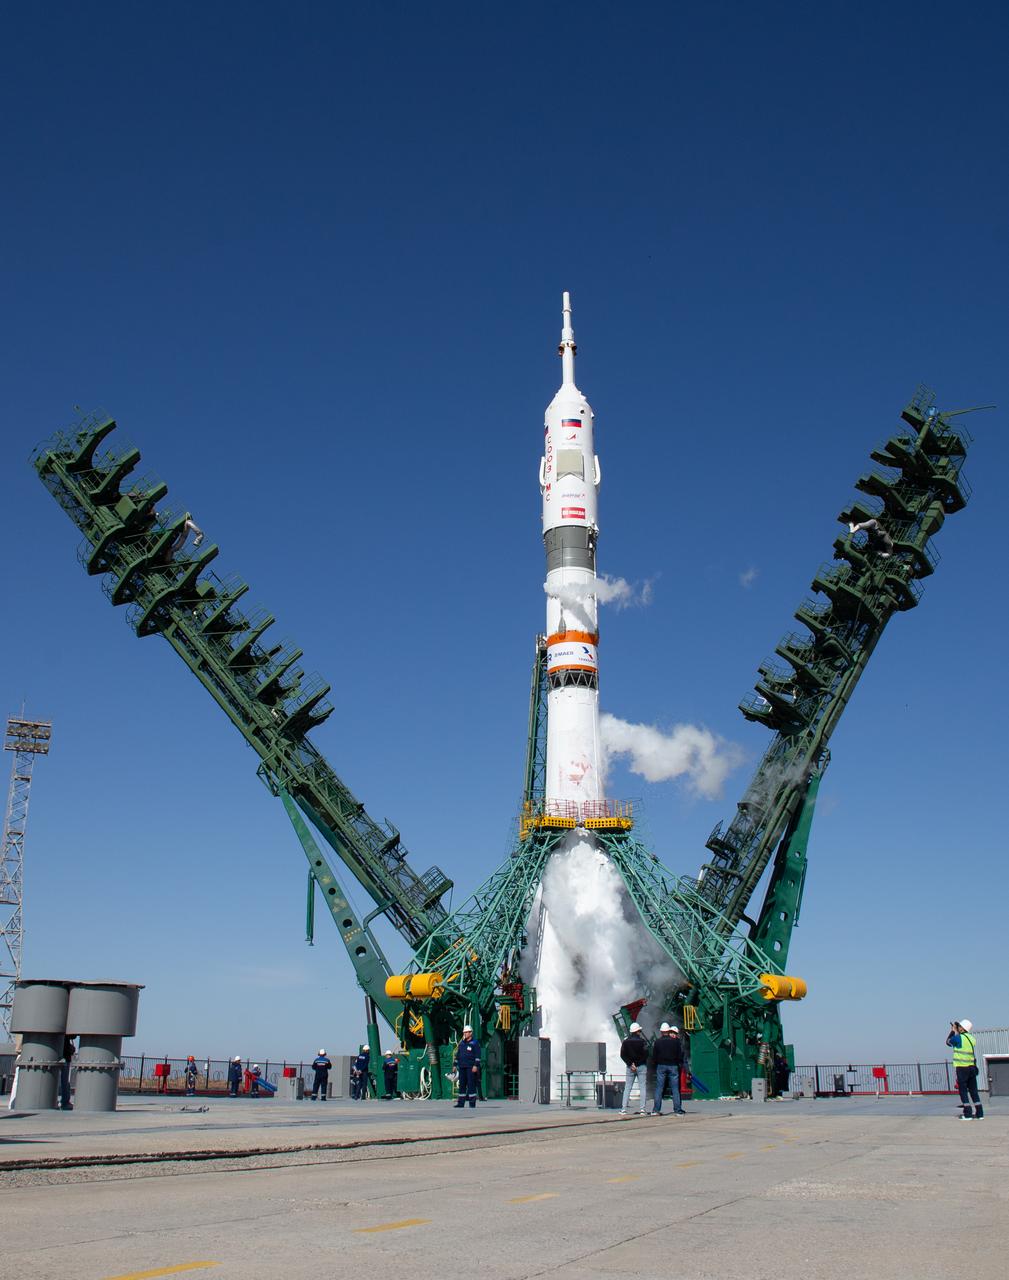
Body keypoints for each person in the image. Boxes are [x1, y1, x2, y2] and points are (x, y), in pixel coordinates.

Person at [947, 1019, 983, 1120]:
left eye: (959, 1026)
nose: (958, 1027)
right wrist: (958, 1031)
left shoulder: (959, 1038)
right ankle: (980, 1113)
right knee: (973, 1091)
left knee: (963, 1091)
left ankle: (967, 1114)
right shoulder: (972, 1038)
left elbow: (948, 1042)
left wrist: (953, 1031)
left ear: (962, 1028)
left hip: (962, 1068)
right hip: (971, 1067)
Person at [649, 1023, 686, 1116]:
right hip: (673, 1066)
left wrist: (655, 1064)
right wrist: (677, 1063)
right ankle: (678, 1110)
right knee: (675, 1089)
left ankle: (656, 1110)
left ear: (661, 1031)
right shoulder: (676, 1042)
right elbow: (680, 1055)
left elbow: (654, 1056)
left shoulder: (657, 1042)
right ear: (669, 1031)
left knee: (659, 1088)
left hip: (661, 1066)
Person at [619, 1022, 649, 1115]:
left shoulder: (626, 1042)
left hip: (630, 1067)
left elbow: (622, 1055)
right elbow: (646, 1054)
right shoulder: (642, 1042)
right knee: (642, 1087)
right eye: (639, 1030)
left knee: (627, 1088)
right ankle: (642, 1109)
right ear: (637, 1031)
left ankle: (623, 1109)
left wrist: (630, 1064)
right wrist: (637, 1064)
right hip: (641, 1067)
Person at [454, 1025, 481, 1108]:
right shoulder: (462, 1043)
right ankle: (460, 1103)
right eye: (464, 1032)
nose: (465, 1034)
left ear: (471, 1033)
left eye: (466, 1032)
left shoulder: (475, 1043)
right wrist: (454, 1065)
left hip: (470, 1067)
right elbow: (458, 1055)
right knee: (462, 1085)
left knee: (471, 1085)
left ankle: (472, 1103)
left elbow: (478, 1055)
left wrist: (476, 1066)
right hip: (462, 1067)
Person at [58, 1035, 76, 1110]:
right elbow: (73, 1035)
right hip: (65, 1053)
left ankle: (49, 1099)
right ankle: (65, 1102)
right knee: (65, 1080)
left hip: (54, 1050)